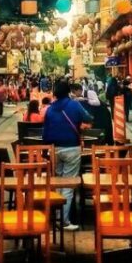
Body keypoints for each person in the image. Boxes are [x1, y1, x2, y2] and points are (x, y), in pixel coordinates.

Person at [42, 79, 93, 230]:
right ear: (68, 92)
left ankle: (57, 217)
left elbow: (45, 133)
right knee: (68, 185)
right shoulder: (74, 105)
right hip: (72, 148)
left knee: (57, 183)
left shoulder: (50, 109)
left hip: (54, 149)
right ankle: (64, 221)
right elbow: (88, 118)